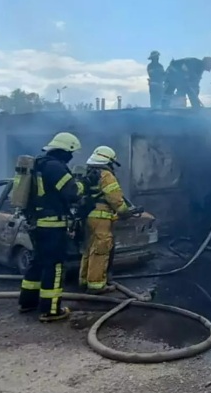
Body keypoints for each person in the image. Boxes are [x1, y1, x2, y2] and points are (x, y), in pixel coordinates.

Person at [17, 132, 86, 322]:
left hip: (37, 223)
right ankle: (51, 310)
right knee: (54, 266)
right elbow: (72, 192)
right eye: (71, 153)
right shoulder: (55, 167)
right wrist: (84, 184)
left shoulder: (39, 164)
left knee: (38, 262)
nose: (71, 157)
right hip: (52, 225)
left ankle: (27, 302)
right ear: (64, 151)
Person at [78, 146, 138, 292]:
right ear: (109, 161)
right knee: (101, 250)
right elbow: (115, 198)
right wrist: (125, 211)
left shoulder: (89, 172)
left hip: (89, 216)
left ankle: (84, 280)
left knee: (89, 250)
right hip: (101, 218)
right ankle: (96, 285)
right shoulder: (106, 175)